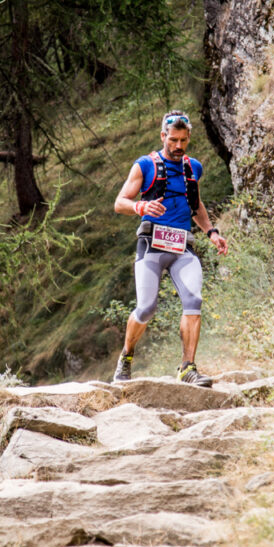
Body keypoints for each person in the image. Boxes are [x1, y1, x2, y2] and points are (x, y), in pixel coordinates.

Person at [111, 110, 228, 386]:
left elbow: (195, 204)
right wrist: (140, 206)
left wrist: (211, 232)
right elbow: (120, 202)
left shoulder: (193, 168)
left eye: (183, 140)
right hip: (151, 246)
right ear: (163, 136)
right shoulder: (145, 165)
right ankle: (126, 357)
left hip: (182, 247)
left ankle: (188, 368)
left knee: (194, 301)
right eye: (173, 139)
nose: (177, 146)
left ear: (188, 139)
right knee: (146, 308)